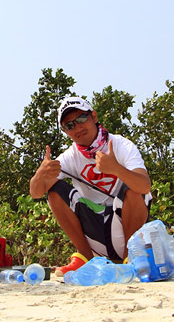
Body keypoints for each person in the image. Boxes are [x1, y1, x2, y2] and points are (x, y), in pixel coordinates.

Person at [29, 96, 151, 276]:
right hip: (95, 233)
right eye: (69, 125)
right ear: (65, 131)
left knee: (135, 188)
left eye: (81, 119)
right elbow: (36, 193)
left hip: (124, 229)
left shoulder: (122, 145)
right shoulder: (68, 157)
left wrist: (116, 168)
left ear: (93, 116)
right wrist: (40, 174)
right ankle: (86, 259)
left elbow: (145, 186)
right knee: (54, 191)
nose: (77, 127)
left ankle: (130, 259)